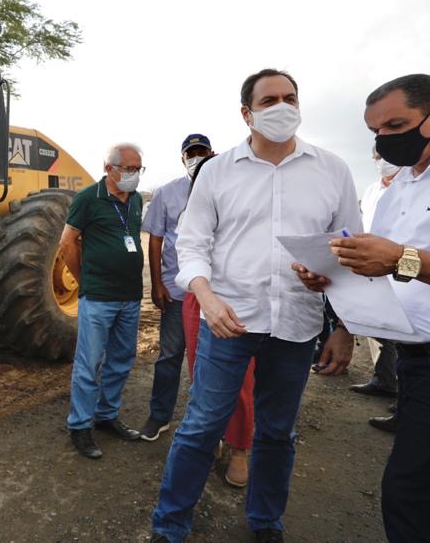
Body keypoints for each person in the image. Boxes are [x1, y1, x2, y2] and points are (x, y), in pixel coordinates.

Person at [296, 74, 430, 542]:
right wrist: (334, 292)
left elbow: (405, 262)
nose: (384, 140)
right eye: (375, 132)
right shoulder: (401, 187)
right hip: (420, 364)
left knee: (421, 501)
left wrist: (402, 259)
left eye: (395, 126)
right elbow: (380, 269)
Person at [150, 69, 361, 543]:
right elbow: (192, 243)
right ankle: (169, 525)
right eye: (269, 100)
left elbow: (350, 248)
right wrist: (205, 296)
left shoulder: (332, 170)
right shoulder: (218, 171)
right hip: (229, 322)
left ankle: (265, 522)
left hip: (296, 325)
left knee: (277, 432)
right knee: (202, 426)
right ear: (247, 113)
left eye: (290, 98)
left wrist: (343, 322)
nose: (282, 107)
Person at [60, 143, 146, 459]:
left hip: (130, 296)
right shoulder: (88, 198)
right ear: (109, 168)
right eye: (129, 168)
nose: (134, 174)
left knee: (122, 359)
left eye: (139, 169)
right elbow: (67, 243)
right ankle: (80, 426)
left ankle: (107, 415)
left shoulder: (136, 199)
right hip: (98, 297)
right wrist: (84, 281)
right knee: (89, 363)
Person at [177, 153, 256, 489]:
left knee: (242, 381)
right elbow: (187, 256)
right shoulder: (190, 214)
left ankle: (240, 448)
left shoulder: (250, 210)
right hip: (199, 299)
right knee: (202, 376)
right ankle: (213, 439)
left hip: (240, 300)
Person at [138, 134, 214, 443]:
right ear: (182, 158)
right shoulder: (167, 193)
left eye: (201, 152)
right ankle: (159, 416)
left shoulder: (222, 187)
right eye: (190, 153)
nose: (196, 158)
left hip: (214, 295)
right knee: (170, 355)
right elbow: (156, 239)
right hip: (177, 291)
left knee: (211, 360)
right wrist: (157, 283)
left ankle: (207, 423)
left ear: (212, 153)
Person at [349, 149, 401, 433]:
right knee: (379, 330)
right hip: (369, 269)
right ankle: (385, 379)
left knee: (405, 337)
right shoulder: (371, 191)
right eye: (377, 156)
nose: (381, 160)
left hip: (403, 268)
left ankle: (407, 404)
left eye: (385, 154)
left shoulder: (412, 184)